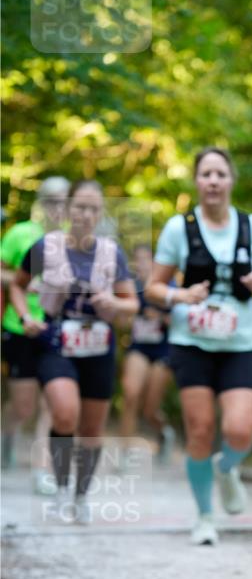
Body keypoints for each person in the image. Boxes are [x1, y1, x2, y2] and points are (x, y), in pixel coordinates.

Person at [147, 146, 252, 545]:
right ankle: (205, 516)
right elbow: (154, 287)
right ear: (196, 181)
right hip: (191, 341)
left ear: (231, 180)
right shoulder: (179, 228)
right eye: (205, 174)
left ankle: (227, 468)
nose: (212, 181)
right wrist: (179, 296)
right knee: (201, 429)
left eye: (220, 174)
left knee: (240, 431)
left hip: (240, 341)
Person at [10, 180, 139, 524]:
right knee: (65, 413)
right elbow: (17, 286)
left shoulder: (112, 253)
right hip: (56, 341)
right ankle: (61, 486)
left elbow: (132, 303)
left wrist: (113, 301)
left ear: (100, 214)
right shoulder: (44, 247)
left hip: (99, 345)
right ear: (68, 210)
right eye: (79, 206)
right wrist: (26, 317)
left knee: (92, 429)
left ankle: (80, 495)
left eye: (93, 208)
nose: (85, 214)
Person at [1, 177, 70, 492]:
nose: (59, 206)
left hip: (57, 329)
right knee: (24, 405)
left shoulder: (73, 238)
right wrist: (26, 282)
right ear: (41, 201)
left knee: (51, 402)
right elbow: (2, 271)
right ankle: (6, 434)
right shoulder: (21, 234)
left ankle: (41, 471)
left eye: (64, 200)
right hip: (20, 325)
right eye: (53, 200)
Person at [118, 244, 175, 466]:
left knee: (150, 407)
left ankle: (163, 431)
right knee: (130, 395)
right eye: (137, 260)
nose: (140, 264)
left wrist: (159, 317)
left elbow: (181, 320)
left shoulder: (169, 286)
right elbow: (120, 321)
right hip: (138, 347)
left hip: (163, 349)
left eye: (146, 259)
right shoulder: (129, 287)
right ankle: (125, 453)